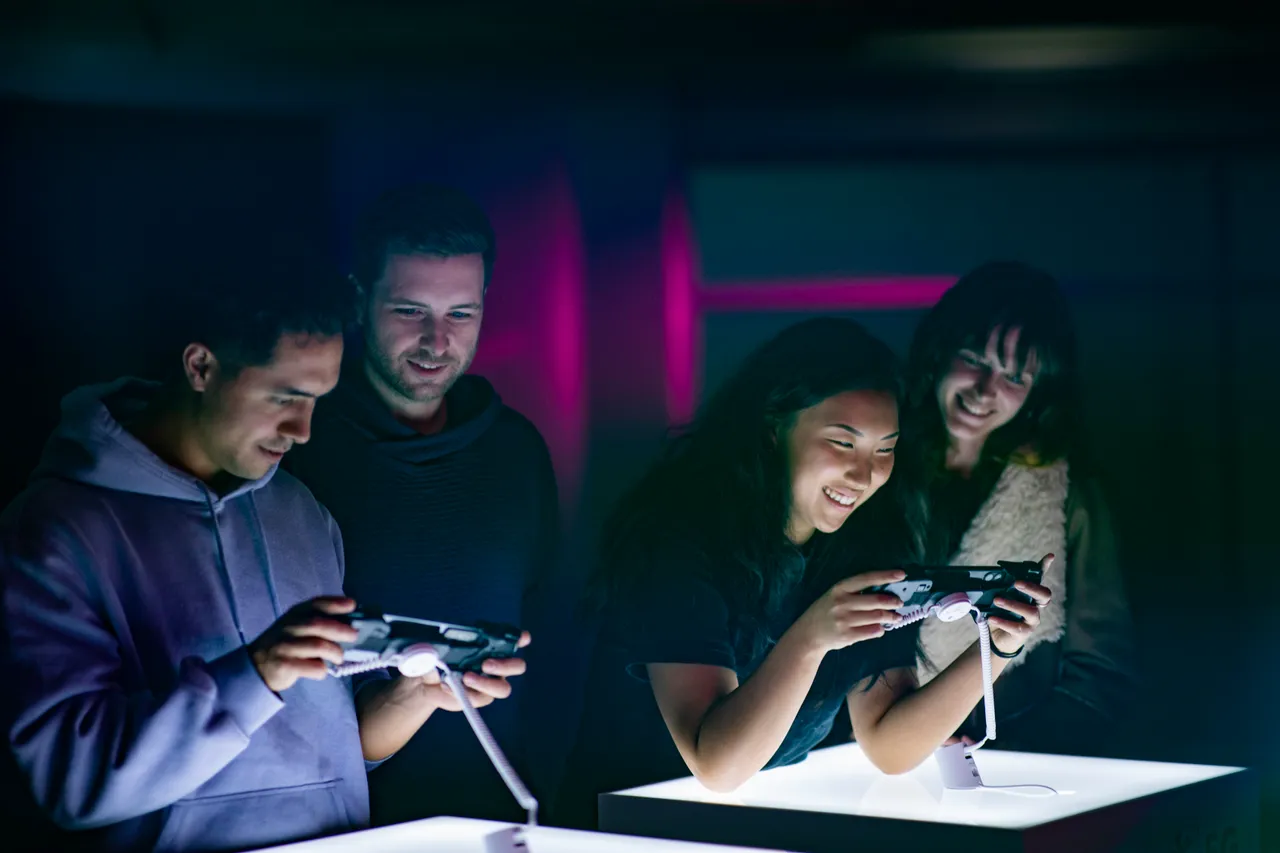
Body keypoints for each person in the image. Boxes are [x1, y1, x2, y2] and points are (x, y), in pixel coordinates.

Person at [0, 267, 526, 853]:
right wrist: (256, 672)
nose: (302, 431)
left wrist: (414, 696)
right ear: (200, 367)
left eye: (316, 401)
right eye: (285, 396)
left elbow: (332, 755)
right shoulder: (56, 529)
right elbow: (73, 784)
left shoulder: (302, 513)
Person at [555, 318, 1053, 829]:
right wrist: (812, 637)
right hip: (629, 826)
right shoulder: (678, 541)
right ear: (775, 427)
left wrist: (997, 644)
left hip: (759, 823)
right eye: (843, 444)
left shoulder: (867, 545)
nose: (864, 475)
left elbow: (888, 744)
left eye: (885, 450)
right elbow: (717, 764)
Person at [285, 185, 558, 825]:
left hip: (499, 811)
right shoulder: (294, 443)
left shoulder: (517, 451)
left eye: (461, 314)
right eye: (411, 311)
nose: (437, 341)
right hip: (334, 822)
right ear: (359, 298)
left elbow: (549, 636)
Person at [902, 260, 1136, 754]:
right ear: (940, 349)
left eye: (1014, 375)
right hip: (869, 748)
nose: (986, 391)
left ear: (1036, 391)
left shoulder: (1068, 492)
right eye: (974, 358)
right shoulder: (878, 469)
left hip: (1015, 754)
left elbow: (1099, 671)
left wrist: (1001, 744)